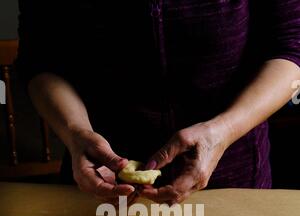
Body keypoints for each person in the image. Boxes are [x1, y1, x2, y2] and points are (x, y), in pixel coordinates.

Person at [17, 1, 300, 204]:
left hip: (232, 177)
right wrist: (75, 131)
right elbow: (40, 60)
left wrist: (223, 130)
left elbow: (292, 47)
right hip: (100, 178)